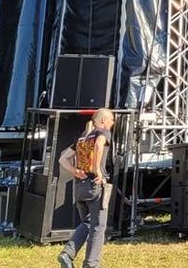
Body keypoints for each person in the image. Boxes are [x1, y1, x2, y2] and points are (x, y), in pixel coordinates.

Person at [57, 108, 115, 268]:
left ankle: (67, 254)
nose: (112, 123)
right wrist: (97, 170)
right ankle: (91, 264)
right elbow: (99, 144)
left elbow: (62, 158)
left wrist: (75, 171)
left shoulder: (82, 138)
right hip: (95, 185)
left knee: (88, 223)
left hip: (80, 187)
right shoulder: (102, 133)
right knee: (98, 227)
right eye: (111, 120)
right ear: (102, 120)